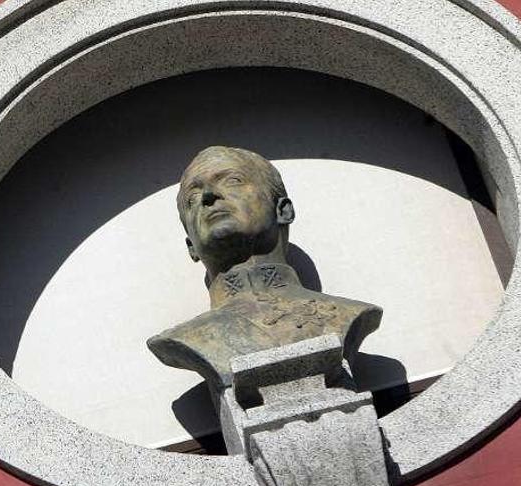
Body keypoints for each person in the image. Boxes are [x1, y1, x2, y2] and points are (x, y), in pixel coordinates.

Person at [147, 146, 382, 390]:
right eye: (191, 199)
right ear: (191, 247)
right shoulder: (185, 338)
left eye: (233, 181)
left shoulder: (348, 313)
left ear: (283, 210)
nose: (208, 196)